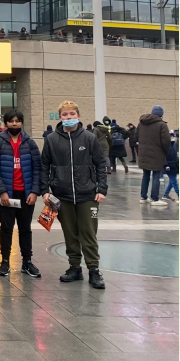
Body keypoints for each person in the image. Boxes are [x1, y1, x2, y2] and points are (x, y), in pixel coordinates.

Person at [40, 101, 107, 289]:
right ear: (60, 117)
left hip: (88, 195)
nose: (68, 118)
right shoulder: (52, 139)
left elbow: (100, 164)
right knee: (69, 233)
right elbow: (44, 165)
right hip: (62, 196)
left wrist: (101, 189)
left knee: (89, 232)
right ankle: (74, 267)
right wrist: (45, 190)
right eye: (65, 115)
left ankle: (94, 269)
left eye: (71, 114)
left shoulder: (89, 138)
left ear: (78, 115)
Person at [0, 110, 41, 278]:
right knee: (6, 228)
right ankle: (5, 261)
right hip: (7, 194)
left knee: (25, 228)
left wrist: (34, 191)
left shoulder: (30, 143)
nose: (15, 124)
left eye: (17, 121)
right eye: (11, 121)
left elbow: (38, 169)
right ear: (6, 124)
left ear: (21, 123)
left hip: (26, 195)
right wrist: (2, 192)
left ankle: (27, 261)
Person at [137, 105, 172, 206]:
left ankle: (143, 197)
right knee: (156, 175)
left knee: (146, 174)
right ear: (161, 115)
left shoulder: (141, 123)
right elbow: (166, 141)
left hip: (143, 153)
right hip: (157, 154)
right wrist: (167, 153)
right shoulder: (162, 125)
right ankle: (155, 198)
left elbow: (136, 136)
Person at [162, 131, 179, 202]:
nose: (172, 137)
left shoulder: (174, 145)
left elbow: (176, 156)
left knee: (172, 182)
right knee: (174, 182)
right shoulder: (166, 146)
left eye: (173, 135)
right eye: (170, 136)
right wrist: (166, 165)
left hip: (174, 165)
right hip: (169, 166)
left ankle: (165, 194)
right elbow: (164, 156)